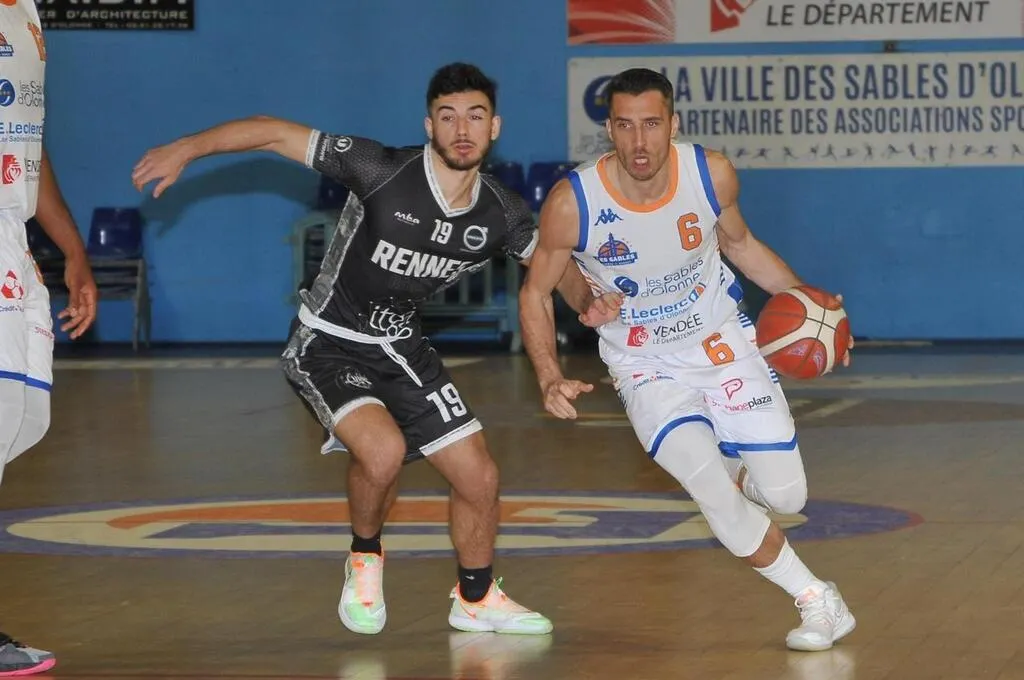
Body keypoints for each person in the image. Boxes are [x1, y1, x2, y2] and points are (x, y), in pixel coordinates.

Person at [132, 62, 602, 637]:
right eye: (448, 117)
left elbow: (553, 268)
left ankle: (476, 599)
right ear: (428, 125)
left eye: (475, 116)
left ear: (494, 127)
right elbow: (272, 132)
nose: (462, 129)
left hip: (401, 346)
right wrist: (186, 148)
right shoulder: (380, 168)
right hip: (327, 341)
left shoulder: (500, 211)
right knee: (382, 453)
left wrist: (591, 303)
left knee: (479, 478)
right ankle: (364, 557)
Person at [518, 67, 857, 652]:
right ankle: (816, 599)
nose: (639, 141)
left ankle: (732, 467)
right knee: (711, 492)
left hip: (721, 342)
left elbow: (740, 245)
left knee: (787, 498)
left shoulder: (710, 174)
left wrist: (816, 314)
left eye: (652, 124)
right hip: (642, 362)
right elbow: (536, 291)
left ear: (673, 124)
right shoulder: (574, 203)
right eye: (626, 126)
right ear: (609, 130)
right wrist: (549, 374)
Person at [0, 0, 99, 675]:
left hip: (13, 241)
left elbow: (28, 145)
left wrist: (72, 248)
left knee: (21, 419)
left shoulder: (28, 13)